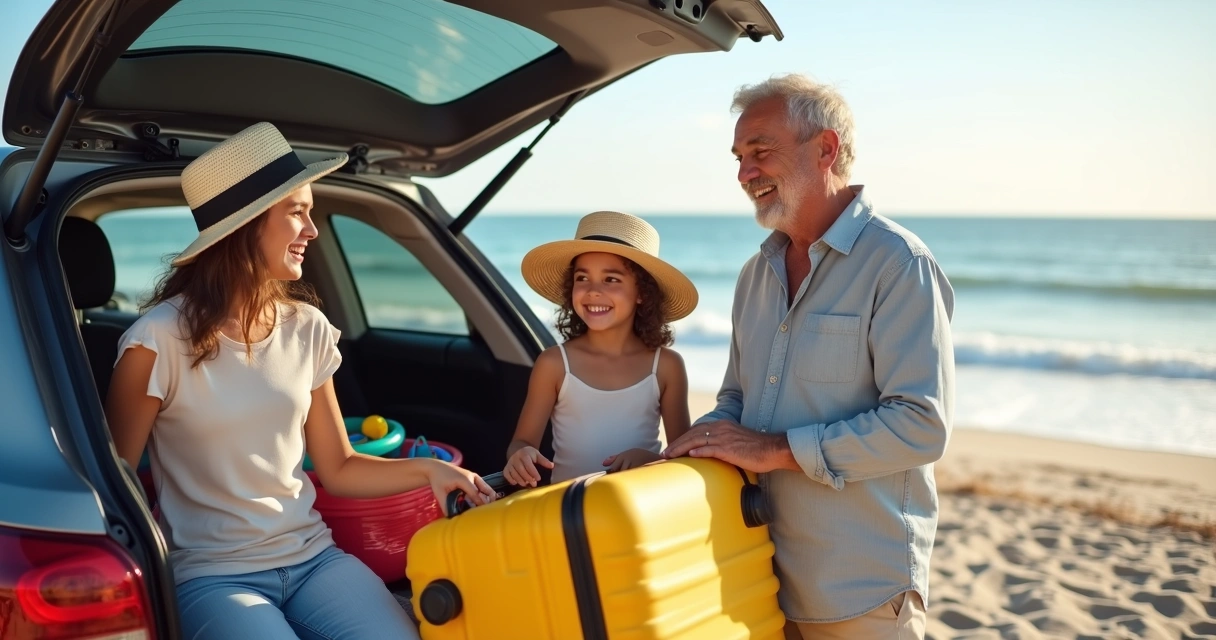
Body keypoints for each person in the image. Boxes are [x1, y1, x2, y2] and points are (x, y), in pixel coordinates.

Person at [104, 122, 496, 640]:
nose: (311, 230)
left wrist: (430, 471)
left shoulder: (308, 329)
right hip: (212, 576)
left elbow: (338, 467)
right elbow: (115, 485)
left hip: (314, 559)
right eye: (297, 213)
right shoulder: (155, 341)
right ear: (246, 226)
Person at [662, 74, 955, 640]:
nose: (745, 173)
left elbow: (922, 427)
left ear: (826, 149)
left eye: (761, 152)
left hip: (859, 590)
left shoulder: (899, 264)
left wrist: (773, 450)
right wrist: (690, 448)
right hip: (757, 580)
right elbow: (737, 401)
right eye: (739, 158)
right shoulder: (755, 274)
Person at [503, 211, 697, 486]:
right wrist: (520, 454)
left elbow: (683, 458)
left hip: (639, 510)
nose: (593, 290)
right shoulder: (555, 364)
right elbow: (521, 442)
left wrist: (650, 460)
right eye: (582, 278)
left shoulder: (666, 366)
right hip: (566, 513)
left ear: (642, 293)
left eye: (611, 280)